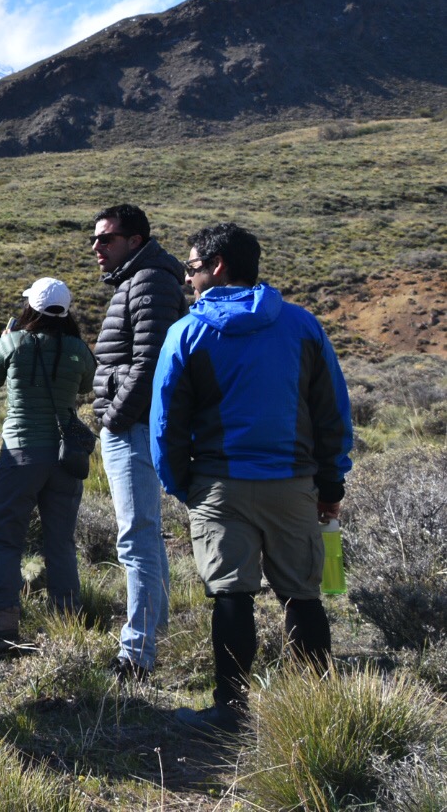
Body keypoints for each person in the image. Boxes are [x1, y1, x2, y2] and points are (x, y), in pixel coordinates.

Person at [152, 223, 353, 736]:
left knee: (230, 594)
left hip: (219, 485)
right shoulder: (302, 325)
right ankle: (317, 709)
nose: (188, 278)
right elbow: (331, 411)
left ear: (217, 267)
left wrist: (184, 486)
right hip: (293, 484)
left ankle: (231, 711)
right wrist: (330, 485)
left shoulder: (187, 332)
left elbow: (166, 422)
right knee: (302, 596)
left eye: (192, 268)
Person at [0, 278, 97, 653]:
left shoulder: (15, 341)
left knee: (9, 538)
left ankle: (5, 621)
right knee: (60, 541)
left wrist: (6, 338)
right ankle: (65, 621)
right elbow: (88, 383)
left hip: (21, 453)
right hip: (64, 458)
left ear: (31, 307)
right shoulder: (77, 348)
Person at [91, 203, 185, 681]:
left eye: (105, 239)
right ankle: (150, 639)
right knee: (143, 534)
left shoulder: (149, 280)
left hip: (133, 425)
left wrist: (112, 415)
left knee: (137, 536)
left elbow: (148, 364)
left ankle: (137, 655)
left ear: (134, 239)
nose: (96, 248)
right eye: (94, 239)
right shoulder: (139, 279)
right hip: (131, 422)